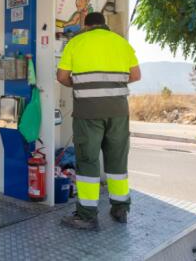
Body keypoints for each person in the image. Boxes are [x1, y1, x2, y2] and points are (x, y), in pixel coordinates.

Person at [56, 12, 141, 230]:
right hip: (119, 112)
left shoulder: (76, 42)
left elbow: (62, 76)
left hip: (88, 113)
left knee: (88, 161)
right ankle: (120, 208)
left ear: (86, 26)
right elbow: (135, 74)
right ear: (104, 25)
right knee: (117, 162)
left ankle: (86, 216)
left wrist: (80, 84)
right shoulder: (121, 43)